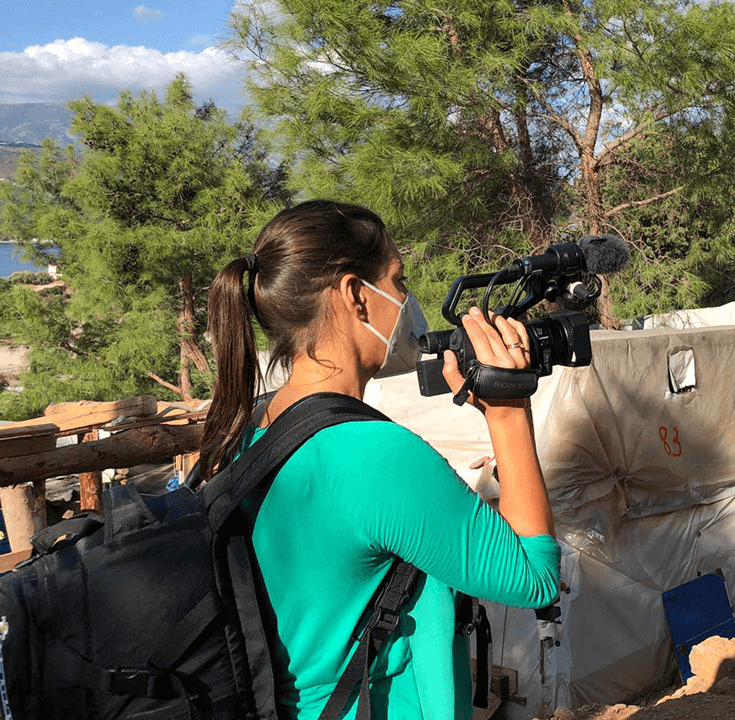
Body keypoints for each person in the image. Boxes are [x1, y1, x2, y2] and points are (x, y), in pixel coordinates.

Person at [199, 200, 561, 719]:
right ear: (354, 296)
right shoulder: (370, 454)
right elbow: (534, 578)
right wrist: (508, 413)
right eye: (397, 279)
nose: (406, 299)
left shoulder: (252, 426)